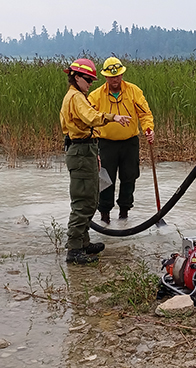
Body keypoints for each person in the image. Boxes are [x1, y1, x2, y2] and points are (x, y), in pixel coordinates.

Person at [60, 58, 130, 264]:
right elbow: (91, 117)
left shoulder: (78, 96)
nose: (91, 84)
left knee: (90, 198)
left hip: (86, 149)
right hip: (80, 151)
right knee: (83, 201)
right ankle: (74, 249)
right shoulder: (75, 98)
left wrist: (95, 152)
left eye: (92, 80)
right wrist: (113, 117)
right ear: (76, 77)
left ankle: (83, 242)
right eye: (88, 79)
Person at [88, 57, 155, 224]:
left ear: (122, 74)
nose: (115, 80)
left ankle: (124, 215)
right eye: (111, 77)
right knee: (105, 180)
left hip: (129, 143)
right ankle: (104, 217)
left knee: (129, 178)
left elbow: (145, 114)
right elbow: (90, 118)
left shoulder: (134, 91)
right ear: (105, 77)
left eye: (118, 76)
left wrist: (149, 129)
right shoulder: (95, 96)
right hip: (105, 144)